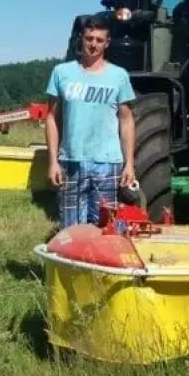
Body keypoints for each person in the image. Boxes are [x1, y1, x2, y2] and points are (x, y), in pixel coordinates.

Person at [44, 14, 137, 227]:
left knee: (106, 228)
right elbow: (52, 118)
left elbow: (126, 121)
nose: (93, 45)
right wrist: (53, 162)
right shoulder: (62, 73)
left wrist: (129, 164)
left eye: (99, 40)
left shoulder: (119, 76)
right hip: (71, 161)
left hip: (107, 164)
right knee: (72, 229)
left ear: (107, 43)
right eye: (89, 38)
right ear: (82, 38)